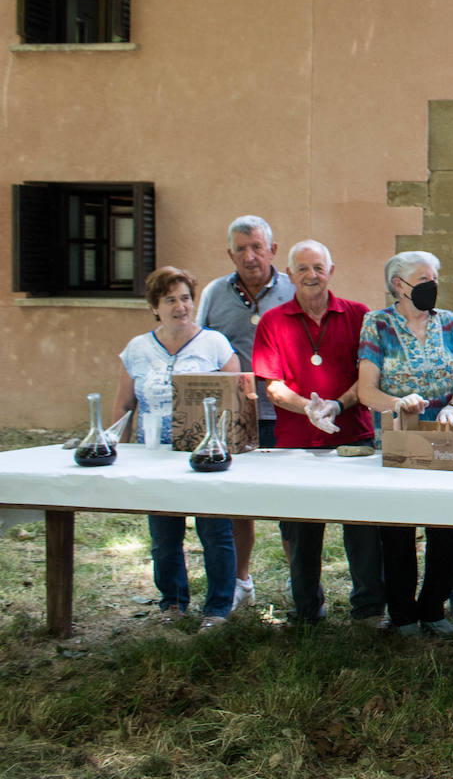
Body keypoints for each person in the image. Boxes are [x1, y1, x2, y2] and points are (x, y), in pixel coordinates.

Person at [251, 240, 384, 626]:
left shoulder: (359, 315)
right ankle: (308, 609)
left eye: (319, 267)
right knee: (300, 532)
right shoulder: (273, 321)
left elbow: (368, 379)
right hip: (295, 444)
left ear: (331, 270)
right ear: (289, 274)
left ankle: (369, 609)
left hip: (352, 439)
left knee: (362, 529)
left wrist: (336, 405)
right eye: (303, 268)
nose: (312, 275)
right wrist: (307, 408)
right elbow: (271, 386)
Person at [358, 251, 453, 636]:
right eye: (425, 278)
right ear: (400, 285)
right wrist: (397, 403)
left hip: (445, 439)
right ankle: (402, 614)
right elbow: (366, 390)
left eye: (435, 277)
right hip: (400, 439)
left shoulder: (448, 323)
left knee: (447, 526)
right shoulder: (377, 324)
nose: (433, 285)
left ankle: (434, 608)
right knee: (397, 528)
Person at [114, 266, 238, 631]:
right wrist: (118, 458)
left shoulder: (214, 344)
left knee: (215, 532)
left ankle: (217, 609)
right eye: (171, 299)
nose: (181, 306)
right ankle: (172, 603)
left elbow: (238, 399)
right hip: (153, 456)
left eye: (186, 298)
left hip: (205, 456)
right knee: (164, 539)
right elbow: (123, 408)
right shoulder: (136, 350)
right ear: (155, 306)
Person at [196, 215, 296, 610]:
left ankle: (297, 580)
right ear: (230, 253)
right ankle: (240, 582)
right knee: (236, 502)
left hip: (285, 410)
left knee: (291, 502)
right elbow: (201, 345)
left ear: (272, 249)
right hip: (233, 416)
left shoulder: (292, 289)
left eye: (257, 247)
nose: (250, 256)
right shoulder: (214, 293)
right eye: (241, 249)